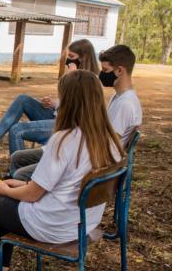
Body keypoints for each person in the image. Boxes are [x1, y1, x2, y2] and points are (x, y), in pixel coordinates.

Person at [0, 70, 123, 271]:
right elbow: (59, 185)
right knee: (7, 199)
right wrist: (18, 184)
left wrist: (5, 190)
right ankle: (2, 267)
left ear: (69, 101)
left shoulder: (64, 140)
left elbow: (32, 195)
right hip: (81, 222)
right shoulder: (111, 140)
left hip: (53, 225)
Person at [9, 45, 142, 181]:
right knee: (18, 158)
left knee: (21, 173)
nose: (102, 74)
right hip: (84, 152)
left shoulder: (126, 104)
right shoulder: (119, 97)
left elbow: (106, 143)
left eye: (106, 70)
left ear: (119, 71)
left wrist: (69, 147)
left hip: (88, 161)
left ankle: (19, 191)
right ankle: (15, 187)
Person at [0, 39, 100, 154]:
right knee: (23, 99)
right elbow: (64, 101)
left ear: (83, 58)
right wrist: (54, 103)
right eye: (68, 56)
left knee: (17, 130)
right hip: (56, 115)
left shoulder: (92, 80)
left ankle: (16, 173)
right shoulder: (72, 75)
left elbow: (78, 108)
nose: (68, 60)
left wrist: (71, 80)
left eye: (72, 57)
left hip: (67, 124)